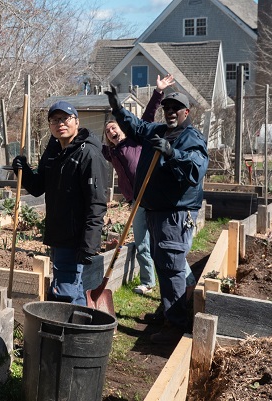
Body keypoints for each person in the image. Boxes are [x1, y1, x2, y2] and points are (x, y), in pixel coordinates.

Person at [106, 86, 209, 344]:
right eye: (167, 108)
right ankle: (168, 312)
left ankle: (175, 327)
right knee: (162, 263)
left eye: (176, 108)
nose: (171, 112)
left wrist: (173, 153)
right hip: (155, 212)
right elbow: (137, 127)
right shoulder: (157, 131)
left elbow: (197, 168)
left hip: (174, 214)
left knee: (172, 267)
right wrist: (119, 110)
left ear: (187, 111)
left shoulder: (191, 137)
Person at [12, 101, 108, 306]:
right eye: (54, 120)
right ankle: (80, 331)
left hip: (75, 238)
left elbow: (97, 203)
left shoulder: (88, 154)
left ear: (76, 122)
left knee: (67, 291)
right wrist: (24, 171)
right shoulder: (54, 151)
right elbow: (38, 187)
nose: (60, 124)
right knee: (71, 288)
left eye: (65, 118)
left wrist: (90, 243)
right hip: (58, 235)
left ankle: (72, 333)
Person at [102, 74, 176, 296]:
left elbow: (148, 115)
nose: (111, 132)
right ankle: (148, 282)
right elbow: (92, 148)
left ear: (123, 128)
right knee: (142, 243)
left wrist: (158, 91)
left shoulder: (137, 140)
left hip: (153, 196)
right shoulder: (110, 152)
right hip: (136, 202)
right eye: (107, 132)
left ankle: (176, 284)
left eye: (113, 127)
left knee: (163, 242)